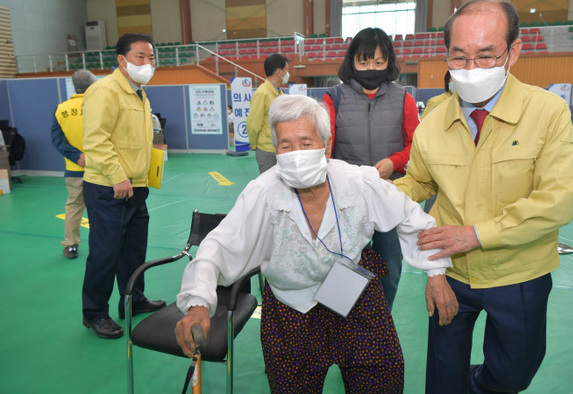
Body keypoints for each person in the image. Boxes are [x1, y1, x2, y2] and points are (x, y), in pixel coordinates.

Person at [175, 94, 453, 393]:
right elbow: (217, 247)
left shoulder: (358, 182)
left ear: (327, 145)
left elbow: (413, 219)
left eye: (306, 143)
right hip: (290, 308)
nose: (296, 153)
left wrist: (435, 273)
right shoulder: (263, 192)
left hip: (354, 296)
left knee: (381, 378)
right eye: (286, 145)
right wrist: (198, 302)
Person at [394, 0, 573, 393]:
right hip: (451, 271)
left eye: (486, 56)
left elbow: (559, 197)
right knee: (443, 377)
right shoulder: (434, 118)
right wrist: (374, 195)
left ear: (513, 52)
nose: (470, 69)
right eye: (459, 57)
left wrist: (478, 234)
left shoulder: (547, 112)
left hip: (520, 272)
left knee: (513, 373)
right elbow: (419, 182)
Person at [322, 27, 421, 309]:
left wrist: (395, 162)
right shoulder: (334, 98)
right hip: (346, 199)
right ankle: (343, 322)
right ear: (351, 61)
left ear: (389, 62)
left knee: (390, 264)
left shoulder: (404, 98)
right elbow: (325, 149)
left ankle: (381, 319)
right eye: (364, 62)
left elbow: (415, 143)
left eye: (379, 62)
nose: (371, 68)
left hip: (388, 195)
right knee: (345, 261)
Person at [81, 33, 165, 339]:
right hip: (109, 187)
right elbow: (96, 140)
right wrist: (117, 175)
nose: (147, 63)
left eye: (151, 57)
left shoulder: (139, 93)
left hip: (136, 187)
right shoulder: (105, 91)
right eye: (140, 57)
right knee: (104, 253)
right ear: (122, 60)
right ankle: (94, 313)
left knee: (133, 250)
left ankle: (133, 299)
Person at [50, 69, 97, 259]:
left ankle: (71, 246)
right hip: (100, 170)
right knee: (100, 208)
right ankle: (102, 243)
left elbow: (57, 139)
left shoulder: (61, 109)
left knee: (73, 208)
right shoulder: (99, 107)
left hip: (74, 169)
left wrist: (76, 156)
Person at [246, 53, 289, 173]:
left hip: (281, 148)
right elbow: (253, 123)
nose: (287, 74)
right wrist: (254, 144)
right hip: (267, 150)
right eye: (286, 70)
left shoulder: (280, 93)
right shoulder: (262, 93)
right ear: (279, 72)